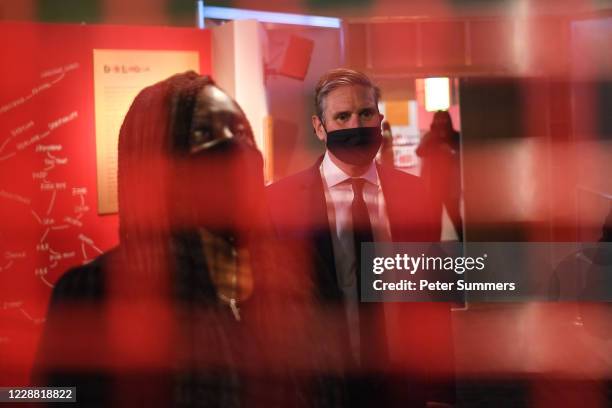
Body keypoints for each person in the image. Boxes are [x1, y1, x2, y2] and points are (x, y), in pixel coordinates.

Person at [32, 72, 278, 407]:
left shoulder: (289, 278)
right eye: (203, 133)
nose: (235, 149)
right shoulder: (95, 291)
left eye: (239, 131)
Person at [266, 68, 455, 407]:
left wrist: (442, 391)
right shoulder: (280, 203)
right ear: (319, 128)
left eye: (365, 113)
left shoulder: (415, 195)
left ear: (379, 119)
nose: (356, 125)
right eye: (342, 116)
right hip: (319, 389)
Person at [416, 111, 463, 241]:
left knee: (456, 218)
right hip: (433, 186)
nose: (441, 122)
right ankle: (435, 249)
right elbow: (419, 152)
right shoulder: (429, 136)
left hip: (451, 185)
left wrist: (451, 152)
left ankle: (465, 246)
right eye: (438, 119)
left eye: (444, 119)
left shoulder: (456, 137)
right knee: (435, 221)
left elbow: (462, 155)